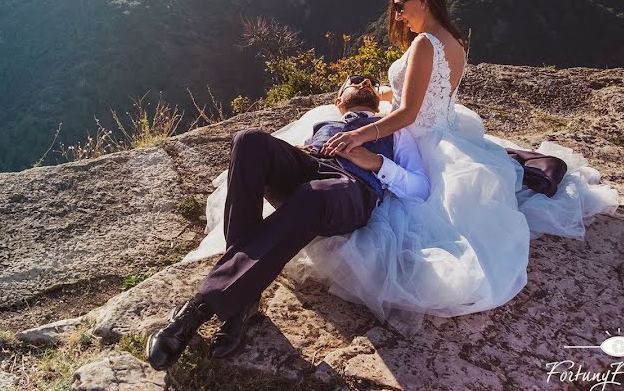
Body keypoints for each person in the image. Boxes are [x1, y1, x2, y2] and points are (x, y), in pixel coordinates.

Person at [184, 0, 619, 338]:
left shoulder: (425, 43)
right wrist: (382, 91)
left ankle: (235, 287)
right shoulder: (452, 41)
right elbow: (427, 94)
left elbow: (410, 112)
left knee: (387, 197)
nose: (396, 13)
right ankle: (238, 292)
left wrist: (362, 133)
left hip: (419, 141)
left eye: (400, 4)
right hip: (444, 131)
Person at [146, 75, 430, 370]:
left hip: (351, 189)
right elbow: (296, 160)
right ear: (338, 100)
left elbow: (420, 188)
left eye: (371, 81)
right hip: (312, 169)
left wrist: (374, 162)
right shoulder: (324, 125)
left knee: (313, 195)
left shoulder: (395, 130)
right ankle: (243, 300)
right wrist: (298, 152)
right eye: (354, 80)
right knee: (249, 140)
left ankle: (199, 308)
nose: (366, 82)